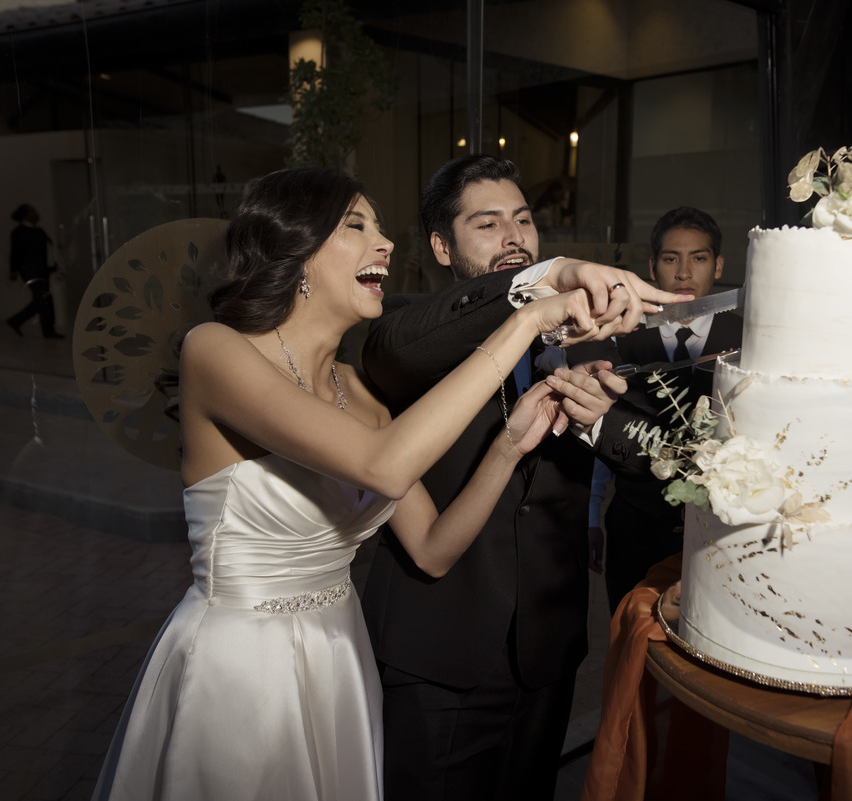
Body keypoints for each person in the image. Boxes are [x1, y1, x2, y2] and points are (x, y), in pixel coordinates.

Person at [91, 167, 651, 801]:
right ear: (296, 251)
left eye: (382, 230)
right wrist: (528, 316)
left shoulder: (357, 393)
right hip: (241, 664)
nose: (385, 244)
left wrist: (509, 444)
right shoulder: (215, 350)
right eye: (357, 226)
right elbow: (383, 465)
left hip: (338, 655)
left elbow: (434, 549)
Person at [360, 155, 683, 800]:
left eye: (524, 221)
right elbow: (404, 350)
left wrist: (604, 420)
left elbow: (656, 464)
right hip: (437, 653)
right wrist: (541, 285)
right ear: (440, 246)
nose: (514, 237)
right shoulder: (403, 325)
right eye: (487, 224)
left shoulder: (579, 333)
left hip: (547, 649)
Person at [590, 206, 743, 612]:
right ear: (653, 267)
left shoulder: (749, 338)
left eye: (699, 258)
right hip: (635, 521)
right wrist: (591, 515)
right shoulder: (622, 336)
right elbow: (599, 430)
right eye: (671, 258)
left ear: (718, 265)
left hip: (721, 527)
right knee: (631, 633)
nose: (684, 272)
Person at [6, 203, 63, 339]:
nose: (35, 213)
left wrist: (56, 268)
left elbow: (49, 252)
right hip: (32, 272)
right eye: (32, 211)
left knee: (45, 300)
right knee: (43, 300)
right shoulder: (19, 232)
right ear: (25, 215)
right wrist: (13, 270)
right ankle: (18, 321)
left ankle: (47, 329)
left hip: (43, 271)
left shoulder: (39, 231)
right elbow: (15, 253)